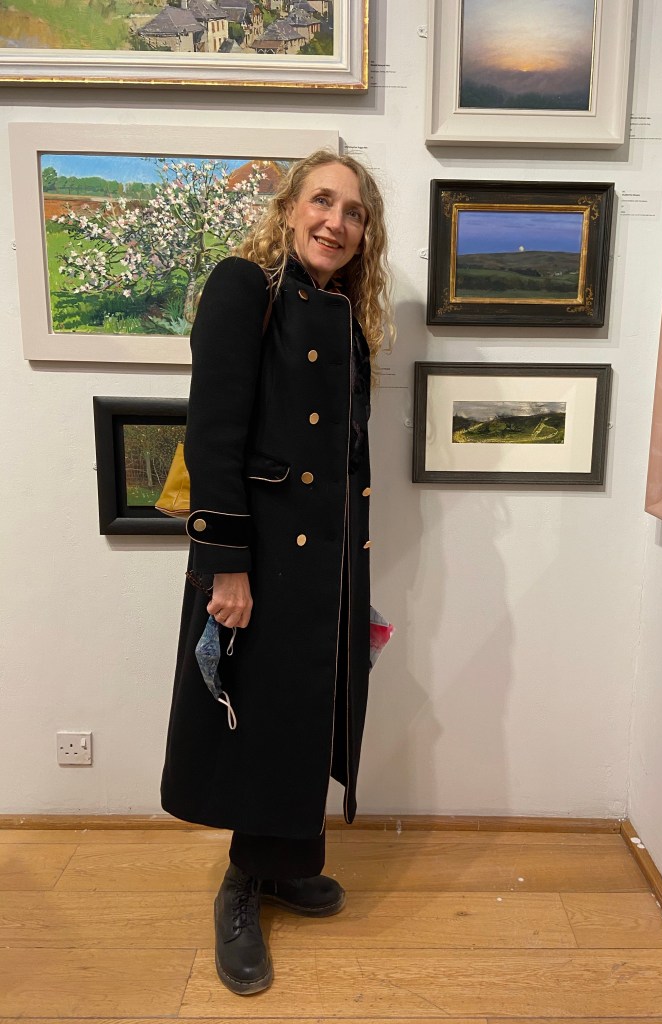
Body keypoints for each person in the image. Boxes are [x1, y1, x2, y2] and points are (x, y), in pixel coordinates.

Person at [160, 150, 393, 996]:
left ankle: (286, 862)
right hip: (257, 560)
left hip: (325, 564)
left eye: (355, 212)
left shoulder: (344, 316)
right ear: (290, 207)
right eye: (322, 201)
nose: (337, 221)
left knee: (301, 716)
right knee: (252, 723)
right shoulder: (242, 287)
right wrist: (224, 567)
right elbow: (213, 434)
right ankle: (239, 888)